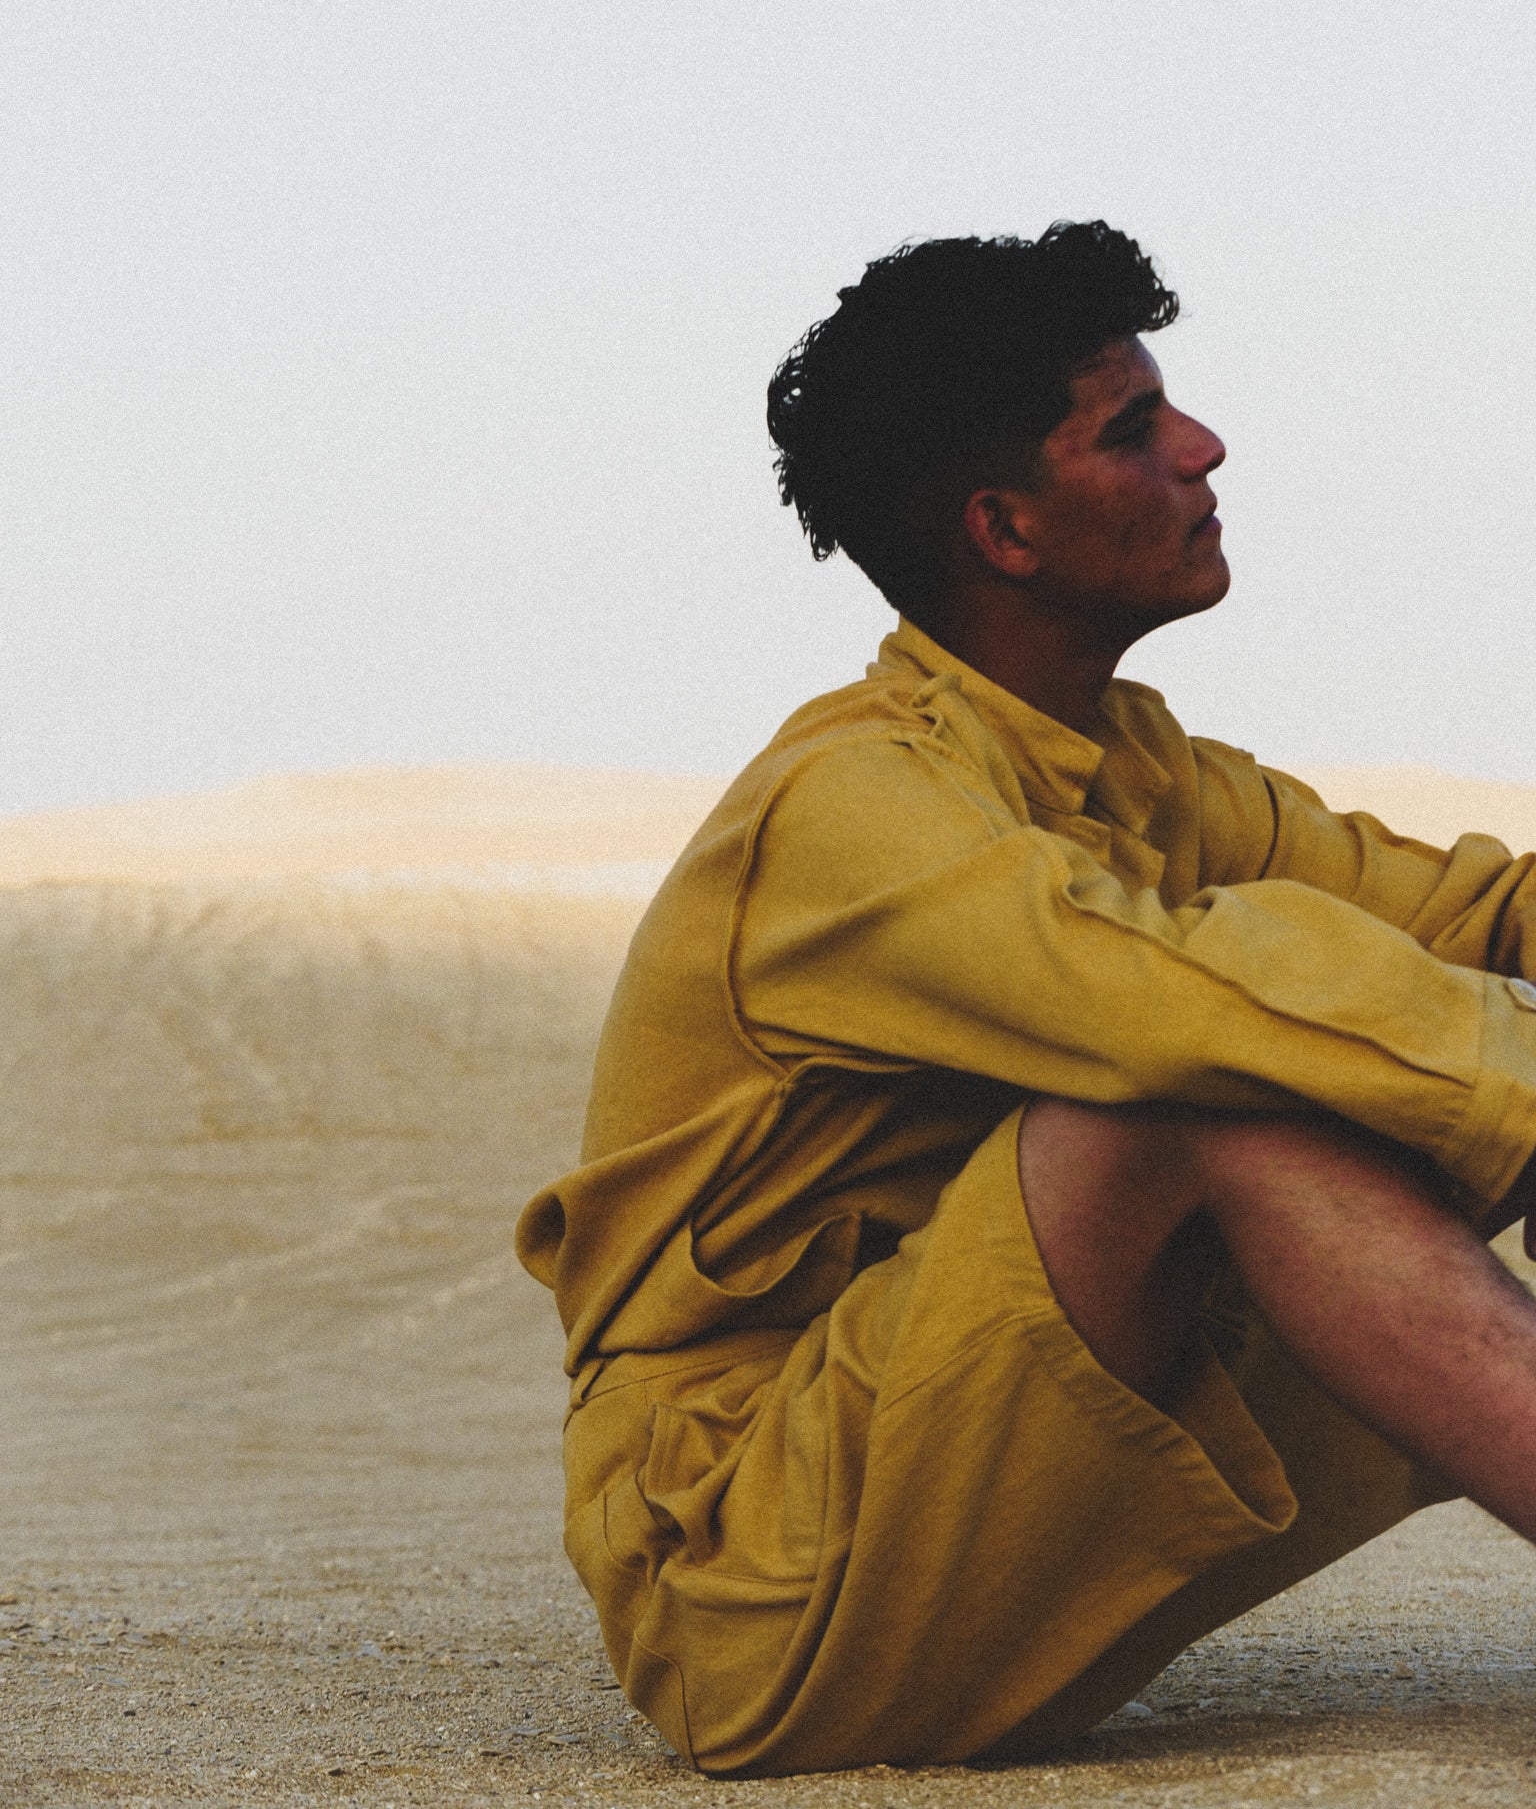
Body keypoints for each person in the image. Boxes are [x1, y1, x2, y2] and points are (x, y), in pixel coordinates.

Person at [515, 223, 1536, 1777]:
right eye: (1130, 430)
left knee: (1358, 1034)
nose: (1202, 448)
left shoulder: (1138, 766)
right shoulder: (853, 805)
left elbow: (1476, 918)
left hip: (977, 1531)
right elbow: (1179, 1013)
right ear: (1005, 530)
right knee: (1200, 1101)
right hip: (747, 1581)